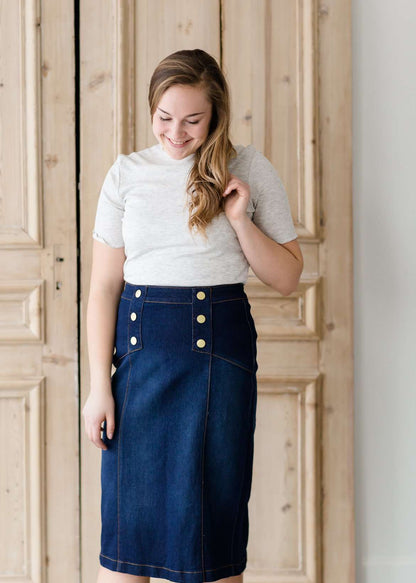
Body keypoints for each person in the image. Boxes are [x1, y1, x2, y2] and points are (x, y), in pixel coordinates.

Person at [82, 48, 303, 583]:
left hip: (218, 356)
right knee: (128, 538)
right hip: (139, 359)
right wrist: (98, 387)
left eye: (192, 120)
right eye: (164, 118)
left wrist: (241, 219)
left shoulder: (249, 168)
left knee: (212, 537)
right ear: (151, 110)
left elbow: (288, 276)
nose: (175, 134)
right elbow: (105, 286)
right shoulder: (126, 174)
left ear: (217, 115)